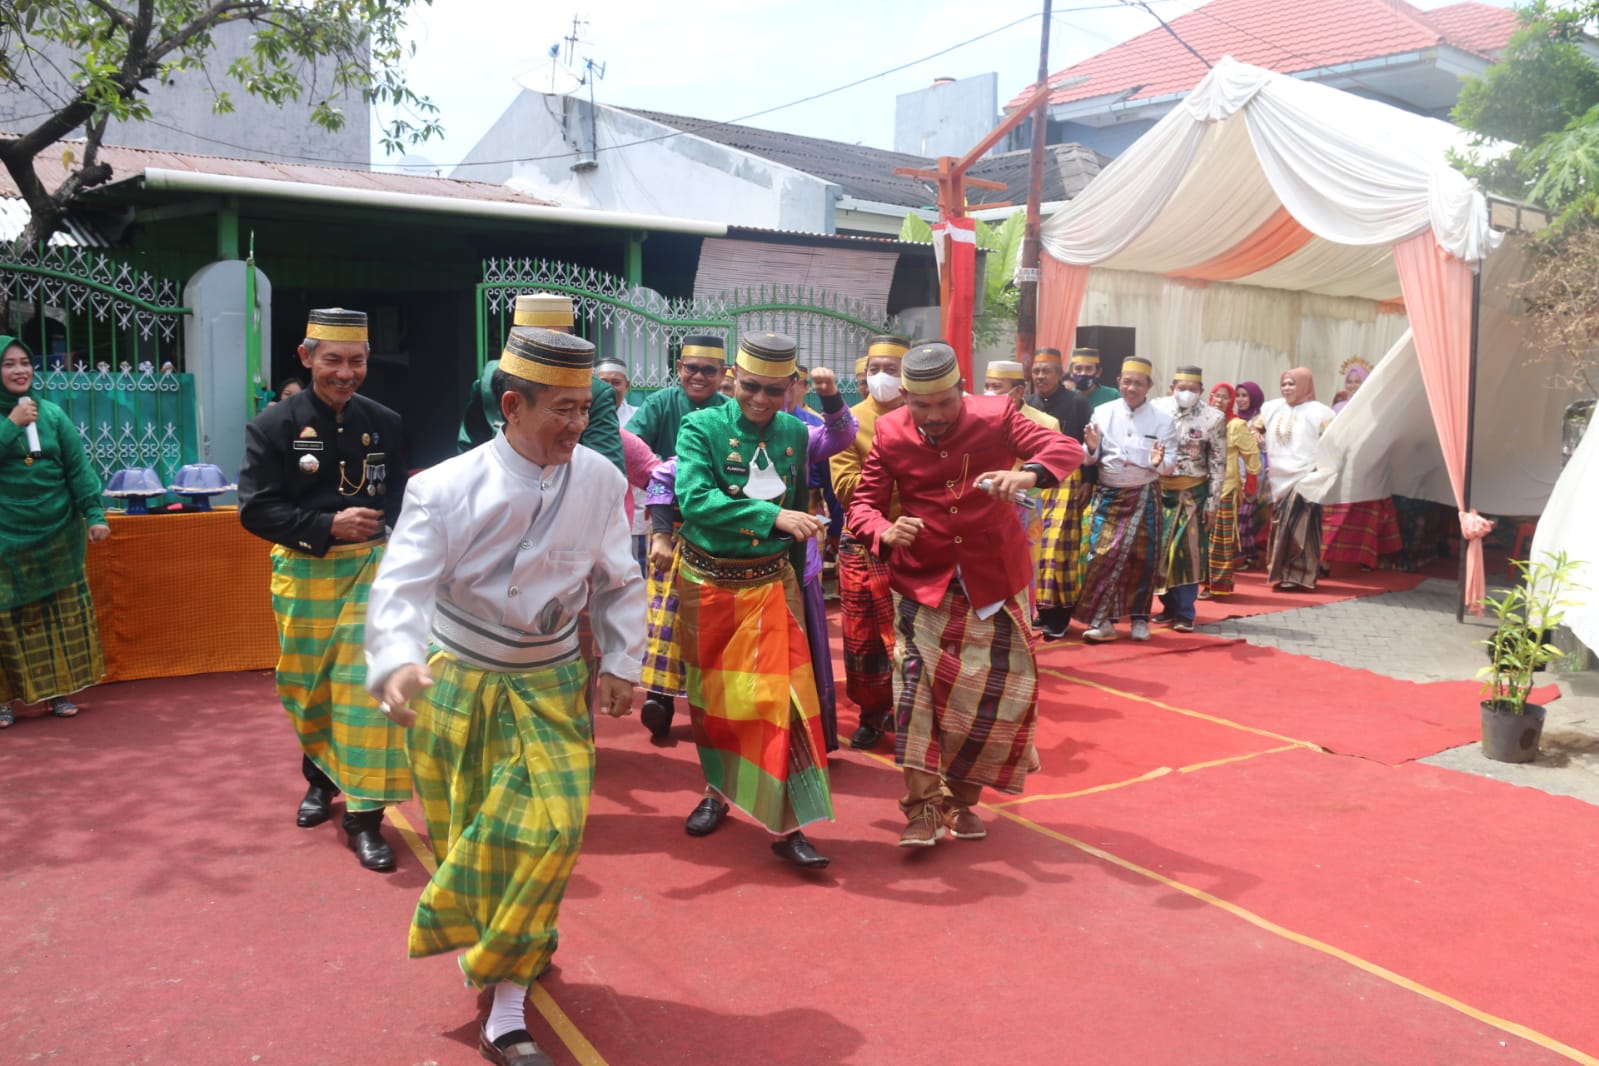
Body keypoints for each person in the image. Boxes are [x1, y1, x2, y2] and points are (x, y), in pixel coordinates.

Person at [365, 326, 645, 1066]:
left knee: (550, 829)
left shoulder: (601, 482)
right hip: (458, 684)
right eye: (562, 409)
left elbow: (619, 578)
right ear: (511, 404)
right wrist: (395, 662)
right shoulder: (443, 488)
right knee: (473, 842)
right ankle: (521, 944)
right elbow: (401, 587)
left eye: (586, 408)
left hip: (553, 684)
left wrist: (620, 658)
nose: (578, 426)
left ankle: (504, 1004)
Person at [847, 342, 1083, 847]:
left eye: (944, 403)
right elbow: (862, 504)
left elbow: (1066, 449)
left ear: (962, 390)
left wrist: (1027, 473)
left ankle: (962, 802)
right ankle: (922, 809)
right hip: (922, 581)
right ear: (906, 398)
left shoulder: (998, 415)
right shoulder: (889, 432)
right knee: (914, 697)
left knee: (992, 700)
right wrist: (883, 530)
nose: (932, 416)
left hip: (995, 578)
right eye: (920, 405)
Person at [238, 308, 410, 871]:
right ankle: (320, 781)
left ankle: (366, 818)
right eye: (332, 360)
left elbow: (407, 505)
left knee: (366, 696)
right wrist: (325, 527)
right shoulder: (273, 426)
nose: (345, 372)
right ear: (306, 357)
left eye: (356, 361)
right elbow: (255, 511)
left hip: (372, 573)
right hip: (304, 575)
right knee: (310, 688)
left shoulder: (386, 421)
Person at [672, 332, 834, 869]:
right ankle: (717, 792)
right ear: (730, 380)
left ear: (791, 387)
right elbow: (694, 499)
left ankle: (791, 826)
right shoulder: (700, 426)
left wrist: (797, 545)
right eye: (749, 387)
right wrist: (772, 518)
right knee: (717, 704)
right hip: (708, 583)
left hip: (771, 583)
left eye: (772, 390)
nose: (760, 401)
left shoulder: (794, 429)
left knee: (785, 704)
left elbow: (802, 493)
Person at [0, 335, 109, 729]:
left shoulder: (52, 415)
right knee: (7, 622)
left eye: (25, 362)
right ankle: (5, 699)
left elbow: (78, 471)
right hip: (6, 540)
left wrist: (94, 514)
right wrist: (11, 425)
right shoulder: (13, 416)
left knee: (54, 620)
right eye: (9, 364)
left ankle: (57, 692)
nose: (19, 370)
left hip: (57, 536)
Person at [626, 335, 728, 739]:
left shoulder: (732, 411)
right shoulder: (660, 403)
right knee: (664, 615)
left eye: (709, 370)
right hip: (669, 526)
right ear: (679, 367)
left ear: (723, 375)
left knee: (714, 617)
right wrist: (663, 478)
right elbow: (630, 444)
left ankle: (715, 704)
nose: (698, 376)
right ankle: (659, 698)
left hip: (719, 527)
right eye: (691, 367)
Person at [829, 334, 910, 750]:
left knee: (913, 636)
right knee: (863, 637)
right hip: (862, 543)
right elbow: (846, 488)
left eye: (892, 370)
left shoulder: (926, 416)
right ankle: (872, 712)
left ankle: (912, 711)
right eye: (874, 370)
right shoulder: (848, 421)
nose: (881, 378)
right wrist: (903, 475)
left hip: (917, 543)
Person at [457, 293, 624, 477]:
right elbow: (469, 448)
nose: (546, 352)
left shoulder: (595, 392)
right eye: (535, 342)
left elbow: (607, 472)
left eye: (555, 342)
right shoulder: (490, 381)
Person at [1077, 356, 1178, 643]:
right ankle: (1104, 622)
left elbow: (1169, 463)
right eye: (1127, 381)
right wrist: (1092, 448)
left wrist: (1158, 462)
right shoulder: (1102, 412)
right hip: (1108, 495)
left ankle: (1139, 620)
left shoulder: (1163, 420)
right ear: (1118, 382)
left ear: (1149, 386)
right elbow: (1088, 456)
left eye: (1138, 383)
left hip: (1144, 493)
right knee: (1101, 556)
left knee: (1142, 558)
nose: (1131, 387)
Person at [1024, 348, 1095, 640]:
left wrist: (1089, 481)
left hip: (1066, 483)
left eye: (1047, 371)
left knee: (1058, 553)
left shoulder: (1077, 404)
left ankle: (1060, 615)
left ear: (1059, 373)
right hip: (1033, 485)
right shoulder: (1028, 404)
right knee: (1035, 551)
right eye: (1036, 371)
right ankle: (1042, 610)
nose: (1040, 376)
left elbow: (1092, 447)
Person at [1151, 367, 1226, 632]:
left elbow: (1218, 463)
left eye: (1193, 389)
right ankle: (1167, 606)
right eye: (1182, 388)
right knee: (1158, 551)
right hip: (1159, 491)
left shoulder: (1213, 418)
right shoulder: (1156, 409)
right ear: (1172, 387)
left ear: (1202, 391)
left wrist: (1213, 504)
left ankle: (1185, 612)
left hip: (1193, 493)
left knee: (1187, 552)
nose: (1187, 393)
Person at [1320, 357, 1403, 572]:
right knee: (1335, 514)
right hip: (1338, 467)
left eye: (1358, 381)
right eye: (1350, 381)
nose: (1353, 385)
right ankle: (1325, 558)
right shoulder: (1337, 407)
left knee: (1366, 514)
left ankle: (1366, 557)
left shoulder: (1374, 408)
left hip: (1366, 468)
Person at [1256, 367, 1335, 590]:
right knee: (1281, 526)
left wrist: (1322, 471)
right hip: (1279, 477)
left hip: (1306, 476)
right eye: (1284, 384)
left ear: (1304, 385)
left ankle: (1300, 576)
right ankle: (1282, 573)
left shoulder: (1321, 412)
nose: (1287, 388)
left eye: (1292, 384)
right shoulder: (1272, 408)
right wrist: (1254, 434)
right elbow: (1255, 426)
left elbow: (1333, 442)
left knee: (1301, 527)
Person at [1201, 383, 1260, 598]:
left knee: (1220, 539)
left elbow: (1251, 454)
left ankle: (1218, 584)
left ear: (1231, 401)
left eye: (1225, 397)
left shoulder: (1236, 425)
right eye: (1216, 396)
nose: (1219, 400)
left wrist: (1251, 481)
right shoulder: (1203, 421)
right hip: (1202, 487)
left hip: (1225, 488)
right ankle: (1202, 581)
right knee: (1202, 538)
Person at [1232, 381, 1270, 569]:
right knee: (1240, 517)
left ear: (1254, 397)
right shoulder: (1233, 419)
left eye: (1244, 395)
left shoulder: (1260, 420)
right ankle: (1250, 556)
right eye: (1238, 395)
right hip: (1233, 474)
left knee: (1244, 516)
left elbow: (1266, 448)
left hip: (1253, 474)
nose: (1240, 399)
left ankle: (1244, 555)